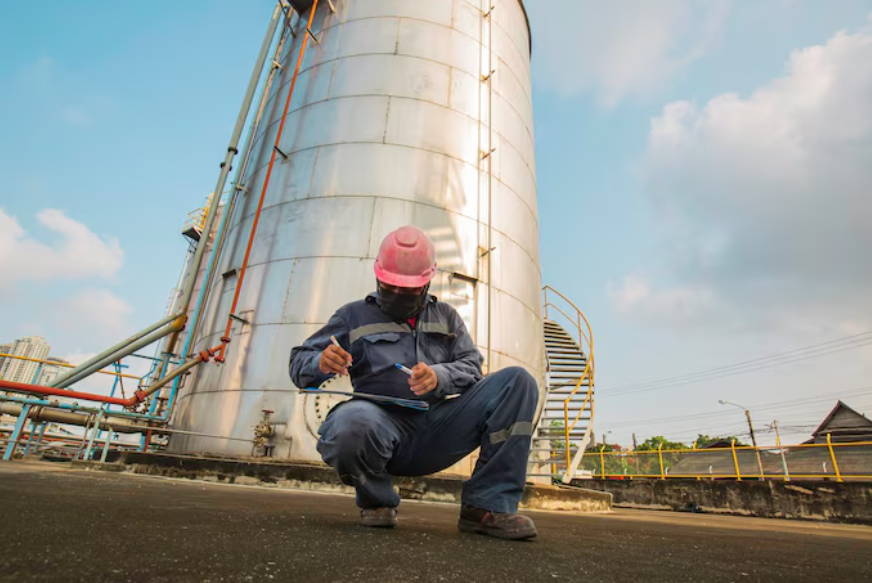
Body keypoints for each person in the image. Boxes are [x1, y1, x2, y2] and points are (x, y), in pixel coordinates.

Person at [289, 225, 539, 540]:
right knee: (349, 424)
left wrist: (440, 376)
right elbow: (299, 364)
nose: (397, 295)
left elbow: (471, 366)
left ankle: (485, 506)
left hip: (438, 427)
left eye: (407, 290)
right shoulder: (352, 316)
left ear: (426, 282)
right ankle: (377, 500)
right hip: (378, 427)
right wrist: (319, 362)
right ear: (378, 278)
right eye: (391, 287)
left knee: (518, 382)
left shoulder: (446, 317)